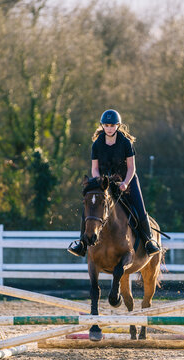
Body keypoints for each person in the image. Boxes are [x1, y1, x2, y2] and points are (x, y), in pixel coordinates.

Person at [68, 109, 161, 257]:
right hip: (105, 182)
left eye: (112, 125)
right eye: (106, 125)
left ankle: (149, 241)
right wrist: (99, 183)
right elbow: (95, 169)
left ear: (118, 125)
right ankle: (82, 244)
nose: (109, 128)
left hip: (127, 180)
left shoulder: (125, 143)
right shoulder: (97, 144)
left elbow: (131, 167)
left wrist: (125, 183)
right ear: (102, 126)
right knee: (89, 208)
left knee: (140, 209)